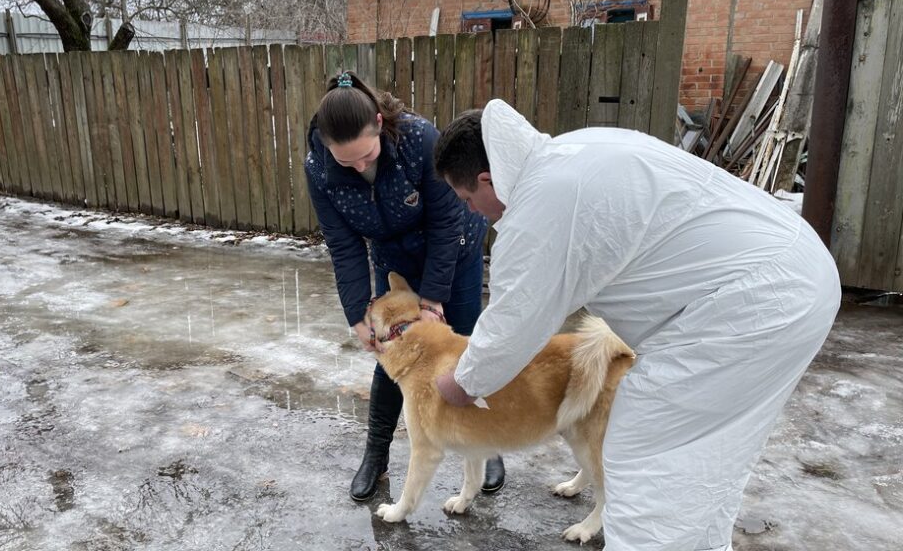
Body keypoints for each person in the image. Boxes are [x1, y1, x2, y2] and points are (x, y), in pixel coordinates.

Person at [432, 100, 840, 550]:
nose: (472, 211)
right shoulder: (576, 149)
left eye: (467, 199)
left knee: (645, 459)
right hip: (795, 271)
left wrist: (460, 382)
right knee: (708, 459)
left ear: (487, 179)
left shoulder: (538, 207)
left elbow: (513, 324)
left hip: (753, 301)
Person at [304, 71, 506, 502]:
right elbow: (343, 246)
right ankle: (375, 455)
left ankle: (487, 444)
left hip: (452, 251)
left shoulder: (418, 140)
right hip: (394, 259)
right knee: (390, 356)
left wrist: (432, 301)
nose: (360, 167)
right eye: (347, 162)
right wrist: (358, 317)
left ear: (379, 123)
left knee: (465, 347)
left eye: (367, 155)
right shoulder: (318, 169)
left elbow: (446, 221)